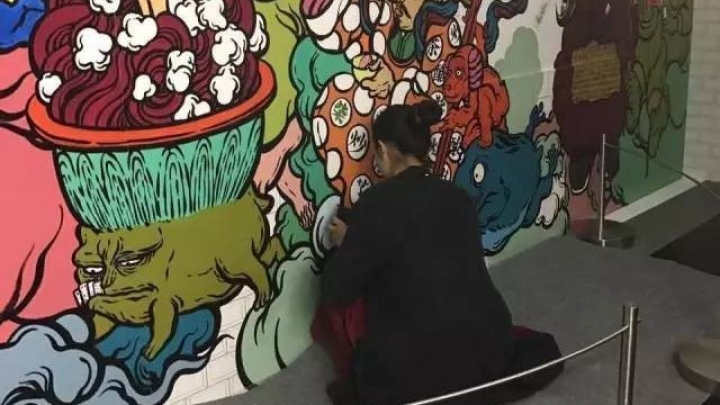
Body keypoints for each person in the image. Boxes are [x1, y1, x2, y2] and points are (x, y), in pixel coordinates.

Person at [320, 100, 563, 405]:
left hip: (411, 365)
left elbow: (336, 291)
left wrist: (348, 243)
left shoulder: (375, 203)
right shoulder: (459, 197)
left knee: (341, 293)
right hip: (484, 347)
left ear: (382, 149)